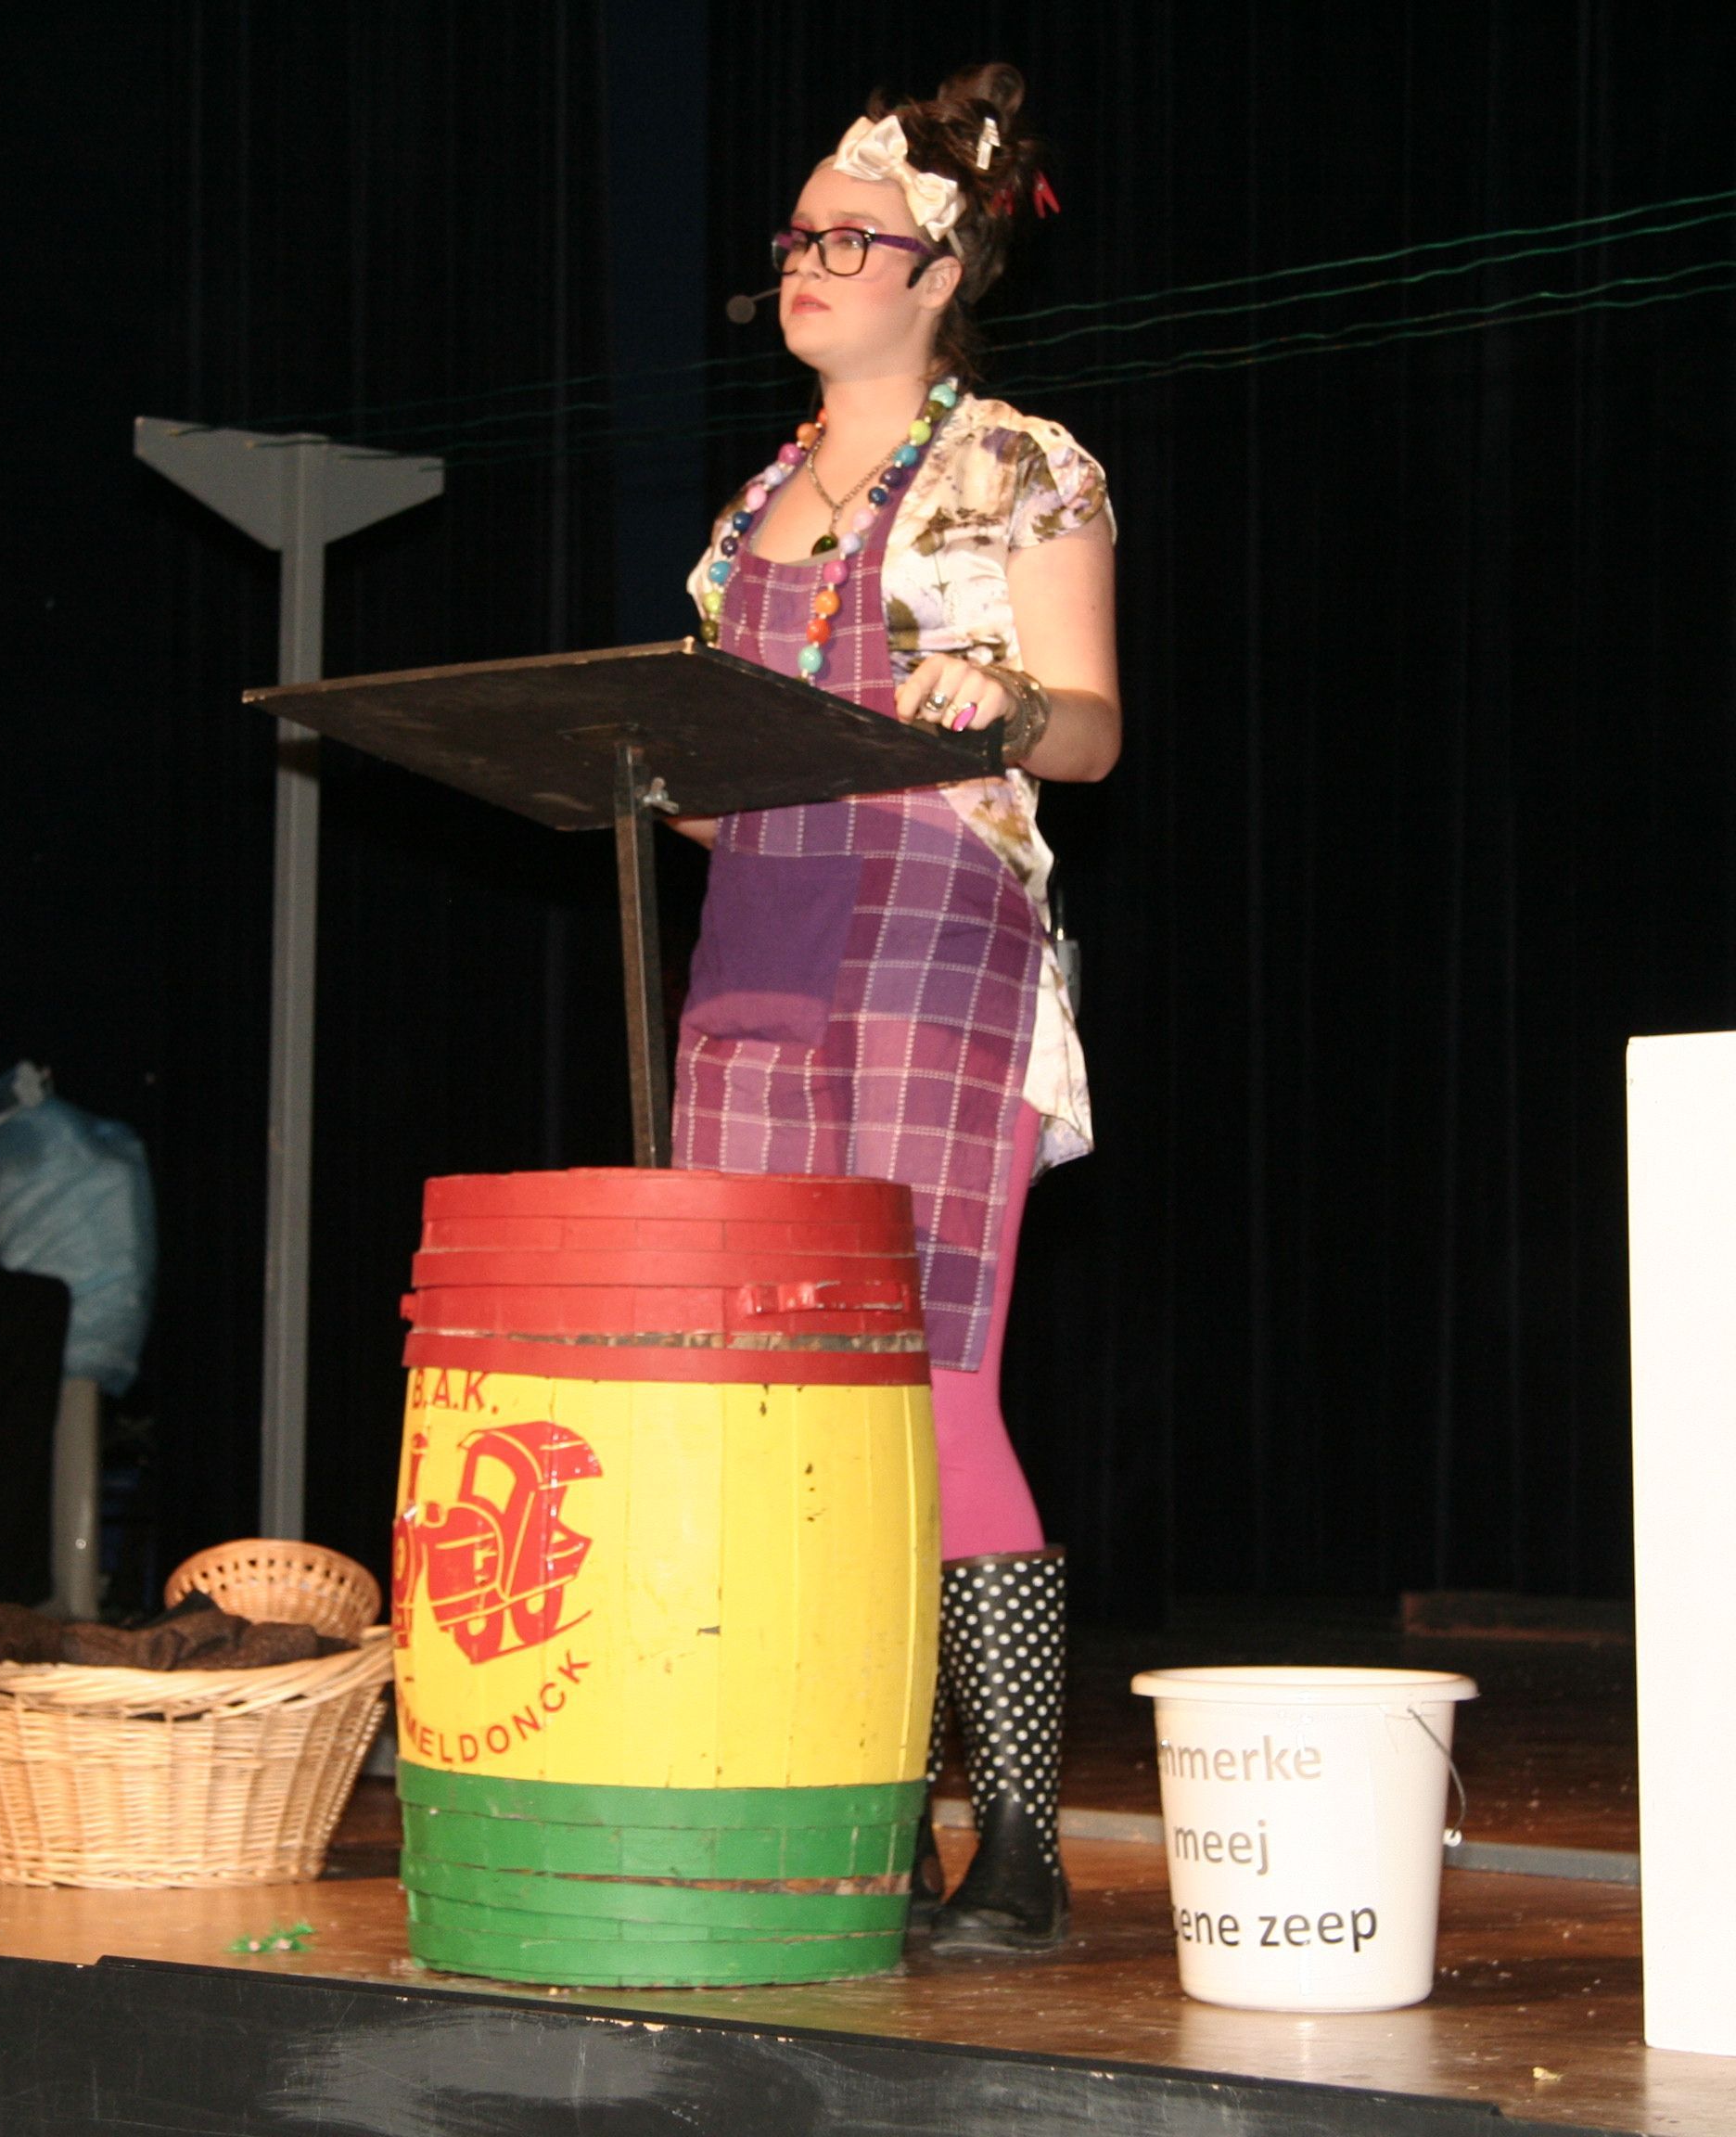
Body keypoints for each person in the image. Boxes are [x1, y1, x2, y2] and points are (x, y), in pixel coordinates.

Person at [670, 61, 1118, 1954]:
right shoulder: (746, 513)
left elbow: (1090, 734)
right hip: (754, 958)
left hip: (939, 942)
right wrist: (657, 767)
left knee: (927, 1380)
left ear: (940, 272)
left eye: (851, 237)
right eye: (798, 235)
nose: (809, 259)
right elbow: (709, 791)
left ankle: (1017, 1841)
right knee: (772, 1394)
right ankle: (845, 1808)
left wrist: (1006, 704)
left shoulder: (1025, 465)